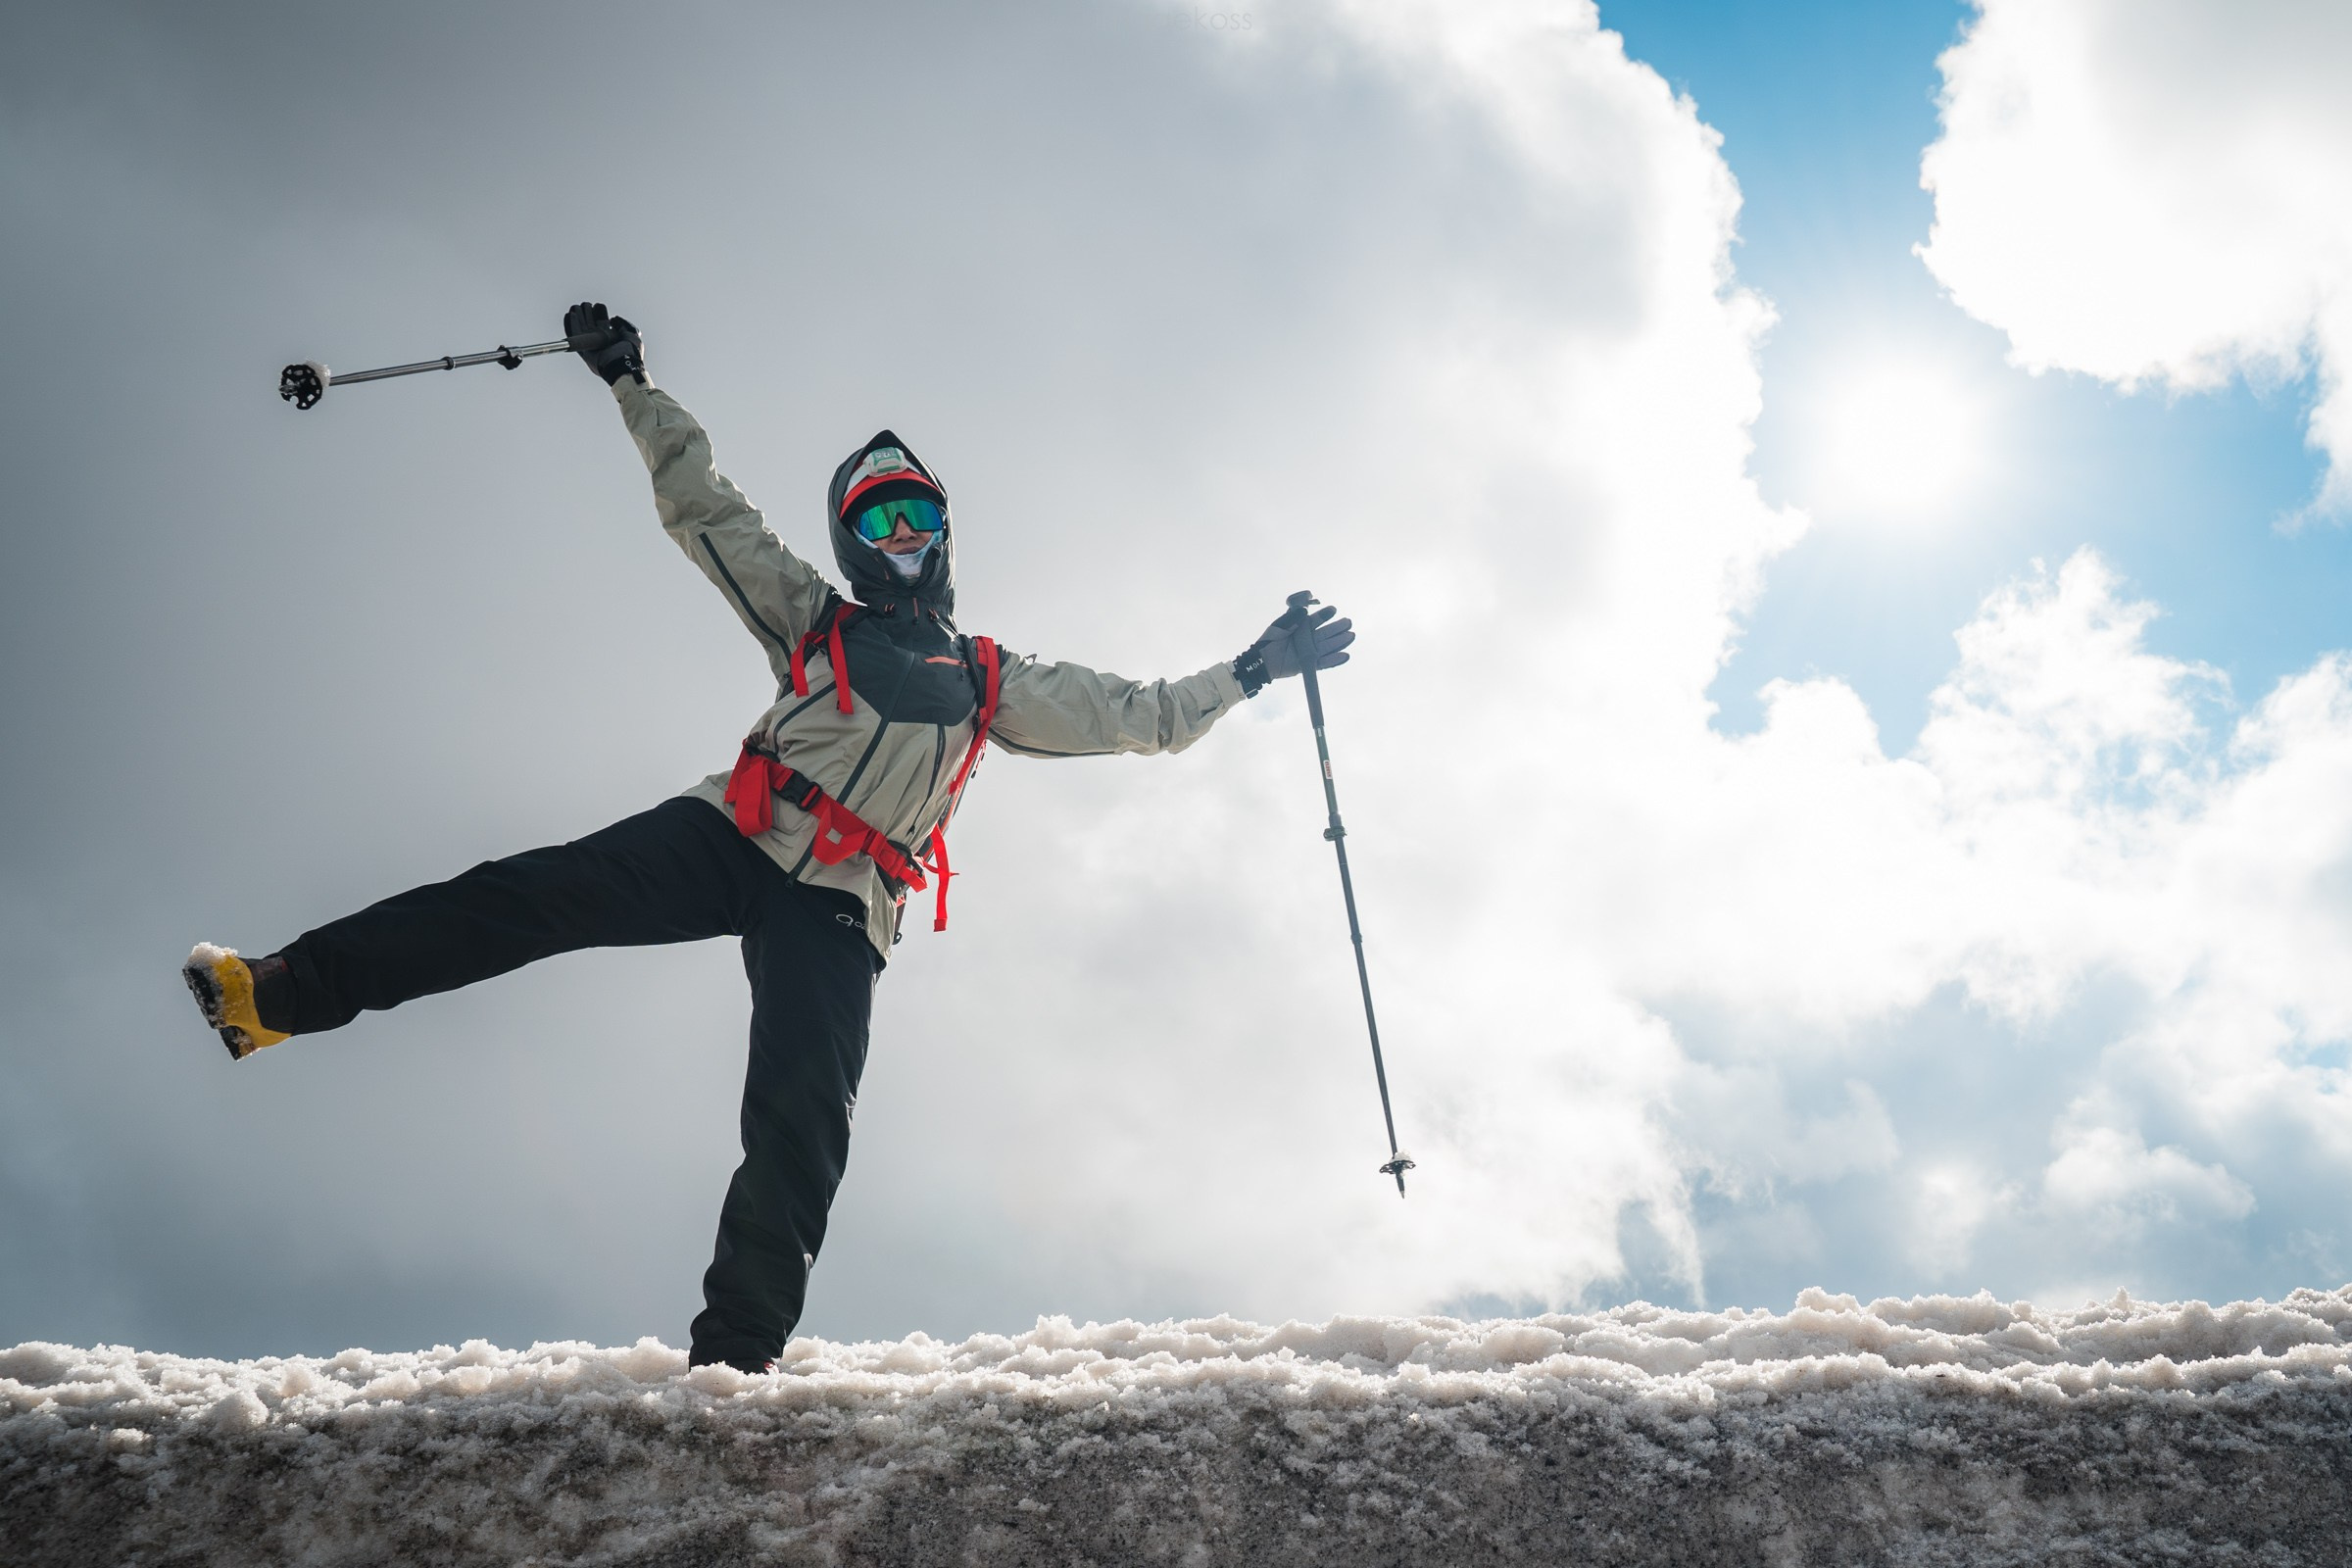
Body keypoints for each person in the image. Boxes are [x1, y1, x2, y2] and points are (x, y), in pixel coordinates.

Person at [182, 302, 1354, 1373]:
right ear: (850, 542)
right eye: (877, 517)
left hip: (843, 902)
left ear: (943, 533)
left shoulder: (992, 677)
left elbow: (1142, 716)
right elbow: (708, 511)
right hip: (734, 831)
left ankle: (733, 1364)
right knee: (525, 895)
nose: (900, 533)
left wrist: (1253, 667)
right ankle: (275, 993)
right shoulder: (815, 619)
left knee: (803, 1120)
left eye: (917, 514)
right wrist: (632, 382)